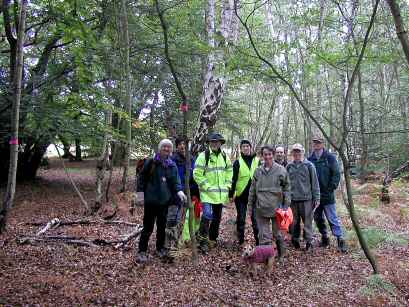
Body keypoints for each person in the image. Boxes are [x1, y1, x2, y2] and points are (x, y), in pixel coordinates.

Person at [135, 139, 187, 263]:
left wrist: (179, 191)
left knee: (162, 226)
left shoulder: (172, 165)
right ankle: (142, 251)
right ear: (160, 148)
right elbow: (141, 178)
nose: (166, 149)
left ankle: (160, 248)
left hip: (164, 202)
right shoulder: (151, 162)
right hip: (150, 201)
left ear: (171, 149)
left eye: (169, 147)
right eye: (164, 146)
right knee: (148, 227)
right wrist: (140, 195)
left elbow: (175, 181)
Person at [247, 145, 291, 260]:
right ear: (262, 156)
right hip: (261, 209)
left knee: (278, 234)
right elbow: (252, 191)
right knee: (263, 236)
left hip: (277, 209)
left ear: (273, 155)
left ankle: (282, 256)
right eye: (265, 154)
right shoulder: (258, 171)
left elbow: (287, 188)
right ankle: (266, 258)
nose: (267, 157)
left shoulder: (281, 170)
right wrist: (250, 208)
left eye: (270, 154)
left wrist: (286, 206)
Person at [193, 133, 233, 254]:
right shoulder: (203, 156)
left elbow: (229, 172)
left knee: (217, 218)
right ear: (209, 143)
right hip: (207, 194)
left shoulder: (225, 156)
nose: (215, 143)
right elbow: (197, 173)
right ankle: (202, 241)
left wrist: (227, 185)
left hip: (220, 195)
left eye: (217, 142)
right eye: (212, 142)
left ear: (220, 143)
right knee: (207, 215)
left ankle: (212, 239)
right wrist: (207, 186)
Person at [308, 135, 347, 253]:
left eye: (318, 143)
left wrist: (331, 188)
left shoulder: (330, 158)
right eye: (315, 143)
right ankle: (325, 237)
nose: (316, 145)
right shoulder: (310, 159)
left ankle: (340, 239)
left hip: (328, 195)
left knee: (332, 218)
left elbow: (336, 174)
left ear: (323, 144)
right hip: (315, 196)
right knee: (318, 218)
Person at [286, 143, 320, 251]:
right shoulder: (289, 166)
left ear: (302, 152)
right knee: (293, 222)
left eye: (299, 151)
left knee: (308, 222)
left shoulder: (309, 166)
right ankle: (295, 240)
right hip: (293, 200)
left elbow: (315, 183)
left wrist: (317, 198)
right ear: (292, 153)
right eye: (295, 151)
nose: (297, 153)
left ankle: (309, 242)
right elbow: (285, 184)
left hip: (307, 200)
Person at [170, 137, 200, 249]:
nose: (183, 146)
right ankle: (173, 243)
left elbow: (195, 177)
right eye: (180, 144)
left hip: (190, 193)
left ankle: (186, 239)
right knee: (175, 219)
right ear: (177, 146)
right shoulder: (173, 160)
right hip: (176, 194)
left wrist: (196, 194)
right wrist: (178, 190)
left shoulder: (192, 159)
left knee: (189, 218)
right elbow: (172, 178)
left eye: (185, 144)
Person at [229, 139, 259, 246]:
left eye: (247, 146)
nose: (246, 148)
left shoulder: (257, 161)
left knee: (255, 220)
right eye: (244, 146)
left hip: (255, 196)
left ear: (250, 148)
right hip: (241, 195)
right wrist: (231, 194)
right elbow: (233, 179)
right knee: (241, 219)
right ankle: (240, 241)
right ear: (241, 149)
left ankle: (258, 241)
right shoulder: (238, 162)